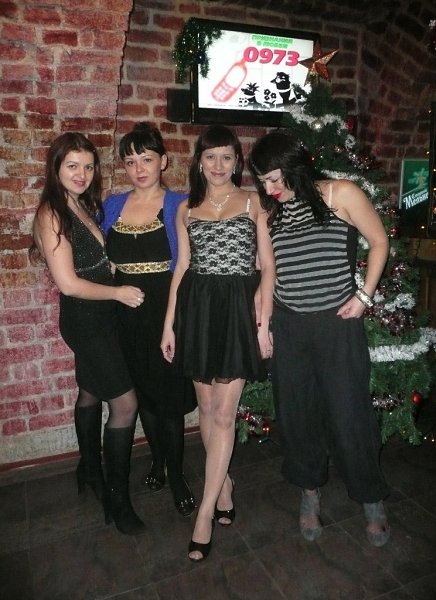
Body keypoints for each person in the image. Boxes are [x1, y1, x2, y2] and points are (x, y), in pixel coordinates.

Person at [248, 130, 391, 547]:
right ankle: (309, 492)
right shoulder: (270, 213)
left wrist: (364, 297)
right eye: (263, 182)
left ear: (294, 167)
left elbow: (380, 241)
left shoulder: (340, 193)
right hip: (290, 325)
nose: (269, 189)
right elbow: (268, 274)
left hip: (336, 324)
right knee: (297, 415)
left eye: (274, 179)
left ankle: (370, 496)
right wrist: (263, 327)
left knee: (350, 413)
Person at [161, 125, 275, 562]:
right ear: (199, 161)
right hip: (197, 310)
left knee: (225, 414)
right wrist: (169, 325)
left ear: (237, 162)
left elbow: (267, 266)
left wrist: (263, 322)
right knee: (206, 410)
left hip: (238, 312)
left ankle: (204, 513)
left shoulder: (253, 201)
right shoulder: (186, 208)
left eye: (227, 157)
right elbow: (182, 267)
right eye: (210, 156)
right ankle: (223, 485)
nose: (218, 165)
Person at [29, 132, 145, 536]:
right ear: (56, 168)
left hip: (99, 317)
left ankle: (90, 470)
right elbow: (68, 283)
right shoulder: (52, 214)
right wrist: (118, 291)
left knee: (91, 391)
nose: (82, 174)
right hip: (85, 319)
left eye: (88, 166)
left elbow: (93, 263)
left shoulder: (79, 205)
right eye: (72, 166)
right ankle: (117, 498)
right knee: (125, 404)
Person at [101, 122, 197, 517]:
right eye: (130, 161)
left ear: (163, 161)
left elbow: (191, 263)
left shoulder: (181, 203)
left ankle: (177, 475)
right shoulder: (111, 205)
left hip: (165, 310)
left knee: (168, 400)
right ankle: (158, 461)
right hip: (124, 314)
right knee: (141, 396)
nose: (139, 168)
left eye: (146, 159)